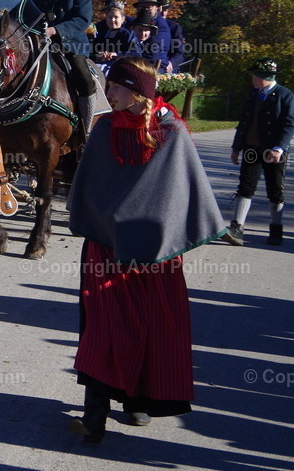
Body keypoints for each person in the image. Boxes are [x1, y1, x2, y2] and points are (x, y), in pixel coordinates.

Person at [66, 56, 227, 444]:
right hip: (107, 249)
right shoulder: (104, 129)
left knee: (150, 325)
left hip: (154, 256)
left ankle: (138, 401)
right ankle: (96, 414)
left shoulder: (172, 131)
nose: (109, 95)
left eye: (116, 88)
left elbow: (177, 194)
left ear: (138, 90)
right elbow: (90, 186)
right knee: (105, 326)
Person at [222, 58, 294, 247]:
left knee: (275, 189)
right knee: (245, 186)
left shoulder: (284, 95)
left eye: (257, 76)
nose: (253, 80)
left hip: (273, 151)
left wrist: (279, 148)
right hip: (251, 148)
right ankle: (237, 227)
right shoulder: (253, 94)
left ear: (267, 77)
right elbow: (245, 123)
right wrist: (236, 147)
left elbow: (289, 125)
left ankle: (276, 228)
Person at [23, 0, 95, 97]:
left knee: (85, 81)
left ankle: (89, 117)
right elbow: (21, 16)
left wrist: (55, 30)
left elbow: (83, 19)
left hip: (70, 45)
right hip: (36, 44)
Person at [91, 0, 140, 75]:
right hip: (100, 66)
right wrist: (99, 55)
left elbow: (136, 54)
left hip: (121, 68)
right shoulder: (101, 35)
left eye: (116, 17)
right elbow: (92, 52)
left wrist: (115, 54)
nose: (112, 20)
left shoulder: (128, 35)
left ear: (122, 19)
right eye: (110, 17)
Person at [128, 0, 172, 72]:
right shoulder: (133, 22)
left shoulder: (161, 26)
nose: (145, 10)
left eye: (149, 7)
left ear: (157, 8)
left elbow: (151, 52)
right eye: (142, 7)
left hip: (155, 67)